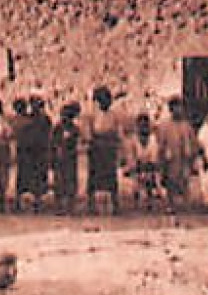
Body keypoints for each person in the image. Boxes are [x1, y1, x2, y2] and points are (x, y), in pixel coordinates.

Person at [156, 96, 197, 210]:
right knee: (170, 181)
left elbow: (193, 142)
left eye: (179, 107)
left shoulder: (187, 126)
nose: (178, 110)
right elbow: (161, 144)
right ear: (171, 109)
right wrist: (162, 159)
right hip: (171, 158)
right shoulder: (165, 126)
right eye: (175, 107)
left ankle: (186, 204)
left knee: (184, 179)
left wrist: (192, 157)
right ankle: (170, 204)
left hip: (184, 158)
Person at [87, 86, 122, 215]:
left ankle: (115, 204)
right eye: (102, 100)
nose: (105, 102)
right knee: (94, 177)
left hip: (109, 149)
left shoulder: (114, 115)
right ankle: (91, 204)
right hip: (96, 149)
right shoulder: (92, 115)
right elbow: (89, 134)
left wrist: (115, 146)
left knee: (111, 177)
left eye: (107, 99)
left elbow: (118, 134)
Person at [15, 97, 52, 211]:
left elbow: (47, 136)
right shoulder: (28, 119)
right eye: (34, 105)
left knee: (39, 178)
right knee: (25, 178)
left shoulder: (45, 120)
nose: (35, 107)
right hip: (28, 153)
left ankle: (38, 202)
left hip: (40, 153)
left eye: (38, 105)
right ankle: (20, 202)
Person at [124, 112, 163, 210]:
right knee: (138, 177)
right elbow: (130, 157)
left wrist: (149, 166)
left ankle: (151, 199)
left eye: (145, 125)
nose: (143, 128)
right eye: (141, 125)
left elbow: (155, 157)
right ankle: (136, 200)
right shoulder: (133, 140)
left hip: (151, 167)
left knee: (151, 175)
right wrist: (136, 166)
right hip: (137, 168)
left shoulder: (153, 139)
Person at [51, 101, 82, 213]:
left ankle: (70, 204)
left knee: (70, 180)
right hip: (59, 158)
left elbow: (77, 142)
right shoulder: (57, 128)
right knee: (59, 181)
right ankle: (59, 204)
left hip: (70, 157)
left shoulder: (75, 129)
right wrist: (56, 150)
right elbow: (53, 142)